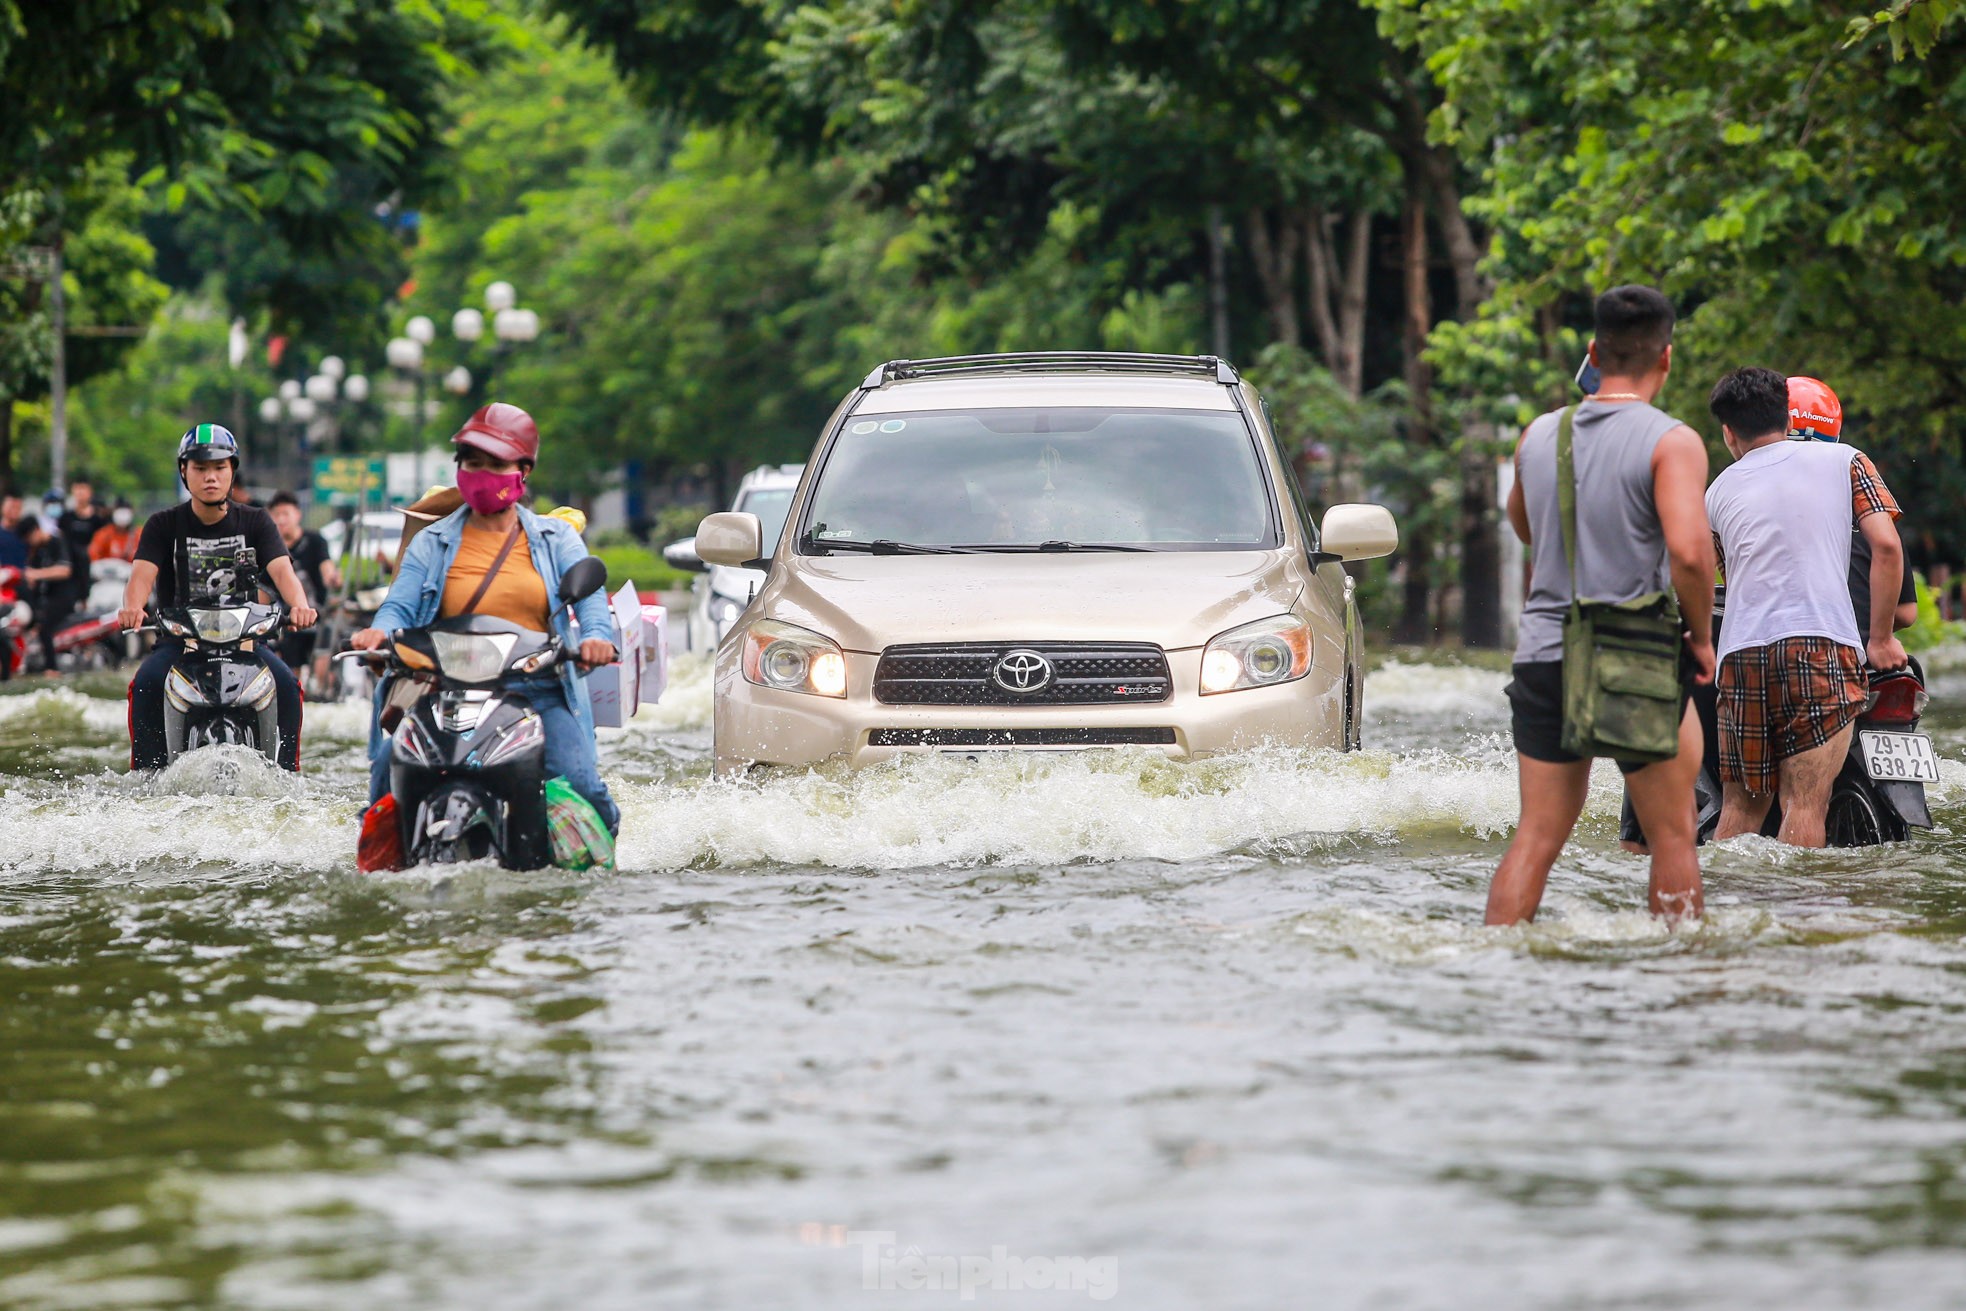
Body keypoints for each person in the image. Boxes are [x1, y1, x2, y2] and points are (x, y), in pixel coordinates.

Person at [1485, 285, 1715, 926]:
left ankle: (1495, 962)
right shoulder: (1673, 441)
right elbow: (1691, 554)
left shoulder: (1539, 435)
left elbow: (1526, 527)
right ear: (1665, 358)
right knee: (1672, 836)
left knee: (1536, 836)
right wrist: (1700, 639)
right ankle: (1680, 970)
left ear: (1594, 350)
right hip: (1634, 656)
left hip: (1544, 653)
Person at [349, 402, 621, 834]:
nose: (482, 473)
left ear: (523, 471)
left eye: (495, 464)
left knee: (582, 787)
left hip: (535, 689)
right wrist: (378, 633)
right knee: (387, 770)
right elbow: (398, 605)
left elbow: (589, 601)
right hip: (446, 687)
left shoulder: (557, 538)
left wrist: (596, 638)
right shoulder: (430, 542)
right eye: (472, 463)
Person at [1705, 367, 1908, 848]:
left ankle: (1729, 913)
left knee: (1739, 809)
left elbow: (1727, 578)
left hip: (1741, 655)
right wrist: (1880, 639)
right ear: (1783, 413)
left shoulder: (1715, 491)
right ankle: (1800, 917)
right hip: (1820, 648)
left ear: (1728, 432)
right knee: (1804, 804)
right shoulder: (1847, 461)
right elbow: (1887, 546)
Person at [118, 425, 318, 771]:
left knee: (287, 686)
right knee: (146, 684)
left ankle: (287, 774)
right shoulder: (162, 524)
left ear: (232, 471)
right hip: (180, 644)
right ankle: (146, 775)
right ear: (184, 471)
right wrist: (132, 608)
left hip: (246, 642)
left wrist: (299, 605)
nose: (210, 477)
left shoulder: (256, 521)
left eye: (219, 468)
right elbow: (141, 575)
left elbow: (283, 572)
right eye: (200, 468)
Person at [267, 491, 342, 686]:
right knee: (290, 673)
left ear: (297, 514)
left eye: (286, 514)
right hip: (287, 620)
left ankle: (326, 695)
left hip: (318, 613)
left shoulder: (315, 540)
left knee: (323, 667)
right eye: (277, 515)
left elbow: (326, 566)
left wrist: (332, 578)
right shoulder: (270, 546)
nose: (282, 520)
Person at [19, 515, 77, 676]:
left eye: (28, 538)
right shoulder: (37, 551)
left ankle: (51, 668)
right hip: (45, 599)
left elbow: (65, 570)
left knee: (44, 627)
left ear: (36, 531)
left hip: (63, 598)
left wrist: (37, 574)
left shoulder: (57, 541)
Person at [58, 478, 110, 567]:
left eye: (83, 488)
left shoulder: (98, 518)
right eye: (77, 489)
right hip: (70, 562)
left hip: (92, 562)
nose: (80, 492)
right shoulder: (66, 517)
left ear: (90, 492)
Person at [0, 492, 26, 572]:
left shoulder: (25, 533)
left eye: (18, 507)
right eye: (11, 507)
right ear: (2, 507)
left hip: (22, 579)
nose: (14, 510)